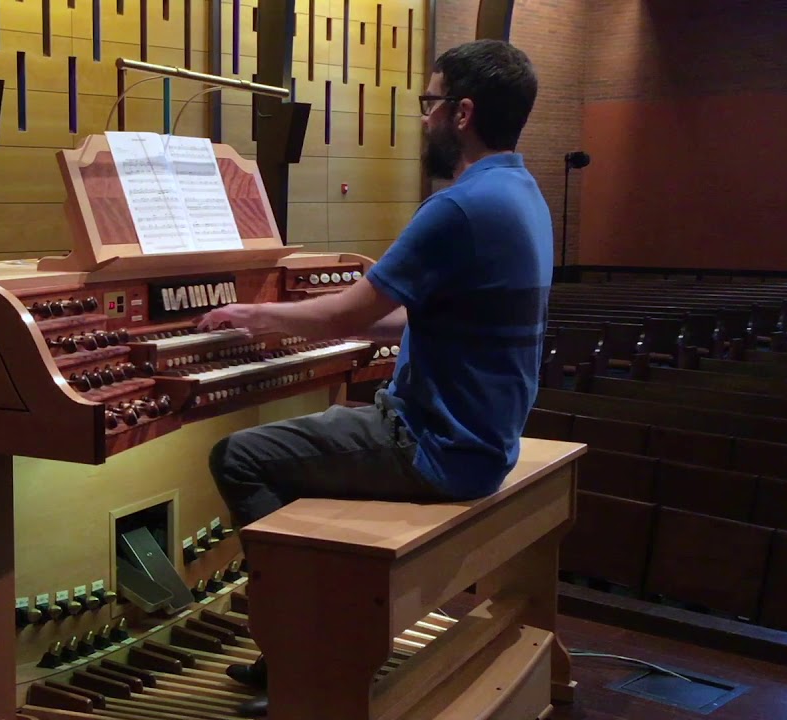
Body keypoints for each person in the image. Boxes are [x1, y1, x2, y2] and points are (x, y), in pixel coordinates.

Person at [196, 39, 553, 717]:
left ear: (463, 113)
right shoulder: (522, 194)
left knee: (239, 456)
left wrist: (258, 317)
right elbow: (416, 322)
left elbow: (351, 310)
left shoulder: (457, 208)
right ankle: (308, 627)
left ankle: (305, 651)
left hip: (435, 447)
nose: (423, 118)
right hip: (485, 438)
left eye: (430, 102)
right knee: (298, 438)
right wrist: (319, 326)